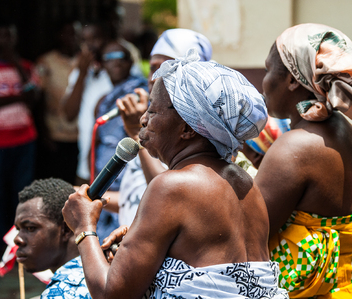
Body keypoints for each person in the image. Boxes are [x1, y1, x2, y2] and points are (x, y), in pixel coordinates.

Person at [62, 50, 288, 299]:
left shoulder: (172, 187)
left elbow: (111, 294)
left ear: (188, 128)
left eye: (154, 110)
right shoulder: (246, 183)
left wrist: (84, 227)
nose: (143, 119)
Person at [254, 23, 352, 298]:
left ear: (292, 80)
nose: (263, 82)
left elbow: (246, 233)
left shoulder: (296, 146)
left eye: (268, 70)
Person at [114, 28, 213, 226]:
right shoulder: (140, 115)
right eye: (153, 68)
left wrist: (136, 134)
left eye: (167, 68)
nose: (153, 78)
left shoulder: (197, 128)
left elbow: (167, 191)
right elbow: (134, 196)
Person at [0, 23, 39, 262]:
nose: (7, 40)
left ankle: (21, 249)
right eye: (2, 35)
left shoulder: (26, 66)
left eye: (11, 35)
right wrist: (19, 97)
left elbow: (34, 95)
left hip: (25, 139)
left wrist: (15, 64)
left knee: (22, 196)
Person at [92, 40, 147, 241]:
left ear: (130, 61)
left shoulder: (140, 94)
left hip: (129, 179)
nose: (115, 63)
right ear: (101, 64)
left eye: (120, 58)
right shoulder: (104, 100)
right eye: (109, 58)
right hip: (105, 174)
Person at [14, 178, 91, 298]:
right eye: (18, 229)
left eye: (30, 228)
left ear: (66, 229)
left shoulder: (62, 293)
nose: (17, 239)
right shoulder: (103, 274)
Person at [62, 22, 114, 185]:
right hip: (85, 162)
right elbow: (69, 114)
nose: (90, 45)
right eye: (84, 41)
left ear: (106, 39)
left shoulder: (118, 70)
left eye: (95, 39)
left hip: (111, 159)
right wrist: (83, 73)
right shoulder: (81, 73)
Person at [35, 20, 81, 184]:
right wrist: (43, 131)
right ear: (59, 36)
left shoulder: (84, 60)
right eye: (68, 33)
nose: (72, 38)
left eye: (76, 33)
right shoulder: (46, 62)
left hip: (79, 133)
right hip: (54, 132)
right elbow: (38, 100)